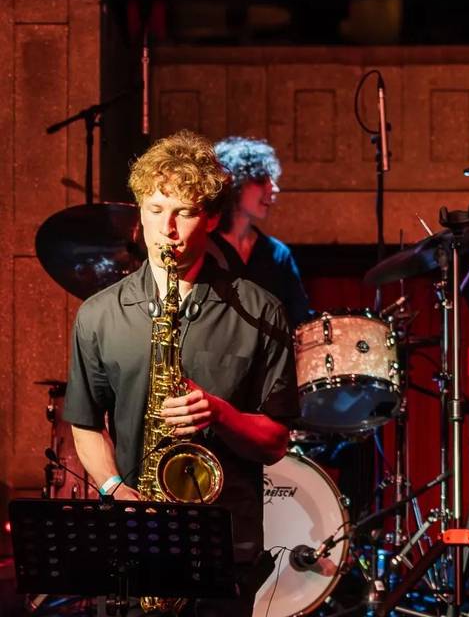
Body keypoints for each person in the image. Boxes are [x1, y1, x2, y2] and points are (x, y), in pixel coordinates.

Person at [63, 130, 299, 616]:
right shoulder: (98, 315)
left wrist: (221, 413)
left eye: (184, 212)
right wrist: (114, 489)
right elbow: (85, 425)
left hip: (226, 546)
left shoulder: (262, 311)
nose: (165, 228)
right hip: (134, 541)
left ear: (212, 218)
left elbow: (275, 442)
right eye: (154, 209)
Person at [211, 136, 311, 327]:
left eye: (271, 179)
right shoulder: (205, 248)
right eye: (260, 179)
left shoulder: (278, 254)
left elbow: (299, 317)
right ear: (234, 183)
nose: (274, 188)